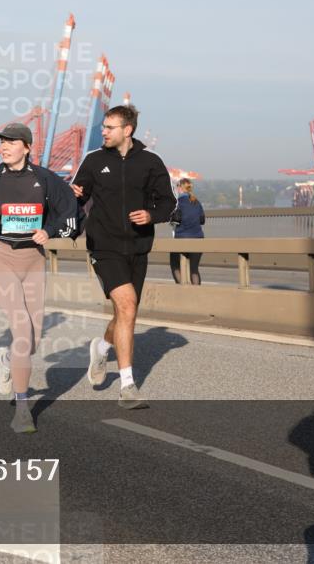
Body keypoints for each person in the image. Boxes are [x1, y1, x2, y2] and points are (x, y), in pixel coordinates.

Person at [0, 124, 77, 433]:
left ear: (26, 147)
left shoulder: (44, 178)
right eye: (2, 142)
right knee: (22, 327)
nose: (4, 147)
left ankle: (6, 360)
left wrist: (49, 231)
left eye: (11, 142)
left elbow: (70, 211)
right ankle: (22, 407)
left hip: (33, 259)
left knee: (33, 338)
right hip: (2, 256)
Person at [71, 105, 177, 409]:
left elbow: (168, 202)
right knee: (128, 305)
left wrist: (151, 215)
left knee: (124, 314)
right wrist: (75, 194)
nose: (103, 131)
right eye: (103, 127)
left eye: (109, 127)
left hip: (138, 248)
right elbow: (78, 194)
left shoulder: (151, 162)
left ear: (127, 130)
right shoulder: (93, 161)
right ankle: (128, 386)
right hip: (104, 246)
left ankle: (102, 347)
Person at [169, 177, 205, 285]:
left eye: (177, 187)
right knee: (194, 269)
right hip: (198, 238)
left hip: (181, 239)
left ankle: (182, 289)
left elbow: (174, 220)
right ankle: (196, 292)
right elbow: (202, 221)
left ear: (180, 188)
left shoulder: (177, 203)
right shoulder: (196, 202)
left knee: (175, 265)